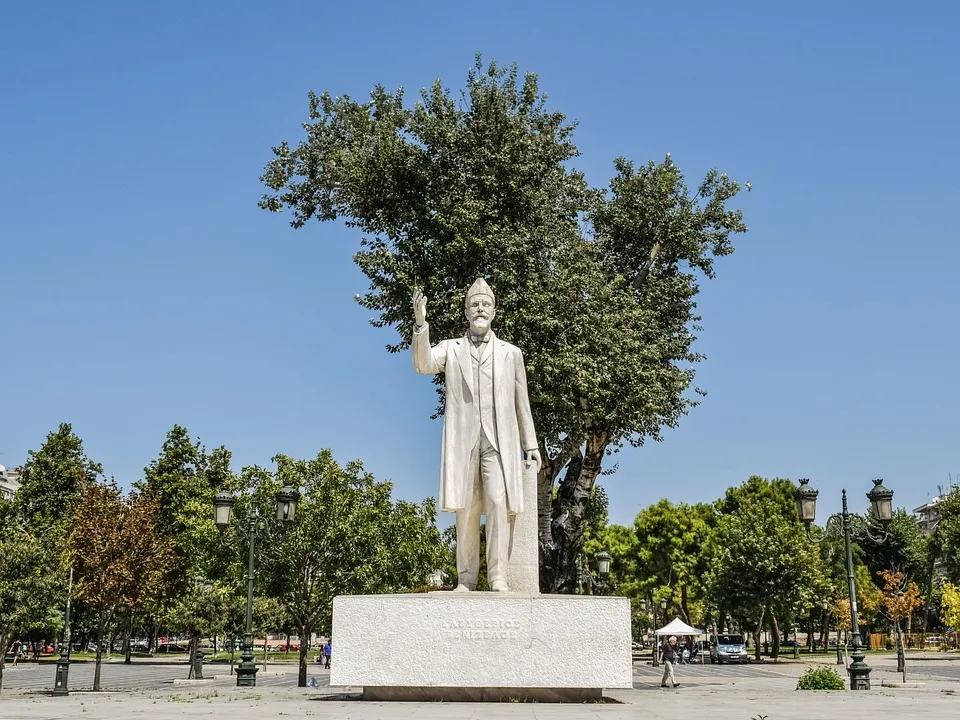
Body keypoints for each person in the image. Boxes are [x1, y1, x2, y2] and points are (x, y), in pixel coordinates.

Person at [412, 280, 540, 592]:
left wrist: (530, 444)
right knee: (466, 509)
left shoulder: (511, 354)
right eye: (474, 305)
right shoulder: (451, 349)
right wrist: (420, 324)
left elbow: (522, 402)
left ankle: (498, 576)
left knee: (498, 502)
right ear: (467, 312)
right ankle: (466, 578)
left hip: (498, 442)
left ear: (494, 311)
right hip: (464, 442)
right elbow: (423, 364)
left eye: (485, 305)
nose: (480, 309)